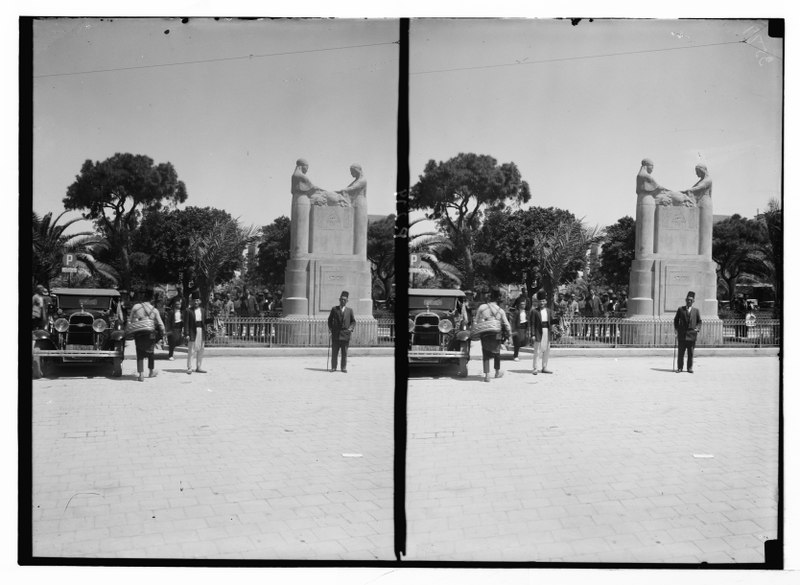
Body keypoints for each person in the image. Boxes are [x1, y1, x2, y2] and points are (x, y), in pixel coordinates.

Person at [473, 288, 511, 383]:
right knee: (497, 353)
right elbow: (507, 324)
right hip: (497, 334)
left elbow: (475, 321)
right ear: (497, 300)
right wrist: (509, 335)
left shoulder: (482, 307)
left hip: (485, 333)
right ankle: (497, 372)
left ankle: (487, 375)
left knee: (485, 353)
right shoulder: (501, 310)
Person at [129, 288, 165, 382]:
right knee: (151, 353)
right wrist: (163, 333)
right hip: (150, 334)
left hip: (139, 333)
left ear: (143, 297)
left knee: (139, 353)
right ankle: (151, 372)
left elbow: (130, 320)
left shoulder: (136, 307)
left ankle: (141, 374)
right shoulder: (155, 310)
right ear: (151, 299)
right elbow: (161, 324)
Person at [674, 291, 702, 373]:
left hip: (692, 336)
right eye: (688, 300)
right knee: (680, 354)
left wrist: (697, 328)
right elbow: (676, 320)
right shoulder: (680, 309)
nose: (689, 301)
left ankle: (689, 368)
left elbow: (699, 321)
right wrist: (676, 329)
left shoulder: (696, 311)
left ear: (693, 301)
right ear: (685, 300)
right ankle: (679, 368)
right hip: (682, 336)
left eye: (691, 300)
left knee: (690, 353)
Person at [328, 290, 356, 373]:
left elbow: (353, 321)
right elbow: (329, 320)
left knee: (344, 353)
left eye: (344, 300)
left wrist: (350, 329)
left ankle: (343, 368)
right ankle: (333, 367)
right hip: (336, 335)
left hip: (345, 335)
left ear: (347, 301)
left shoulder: (349, 310)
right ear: (339, 300)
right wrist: (330, 329)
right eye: (341, 299)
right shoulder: (334, 309)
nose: (343, 301)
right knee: (334, 353)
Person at [530, 290, 554, 375]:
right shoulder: (534, 311)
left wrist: (558, 321)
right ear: (538, 302)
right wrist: (532, 334)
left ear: (546, 301)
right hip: (538, 332)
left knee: (546, 350)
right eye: (540, 301)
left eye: (543, 301)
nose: (542, 302)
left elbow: (552, 321)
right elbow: (532, 324)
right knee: (537, 351)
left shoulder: (549, 311)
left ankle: (544, 367)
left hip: (547, 331)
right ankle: (535, 368)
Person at [184, 291, 207, 374]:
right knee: (192, 350)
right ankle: (189, 367)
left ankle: (199, 366)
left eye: (197, 300)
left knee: (201, 349)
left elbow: (204, 321)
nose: (196, 302)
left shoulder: (203, 310)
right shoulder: (188, 311)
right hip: (192, 331)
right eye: (194, 301)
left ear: (199, 301)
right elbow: (186, 323)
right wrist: (186, 334)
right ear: (192, 301)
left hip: (201, 331)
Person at [509, 296, 529, 361]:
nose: (523, 305)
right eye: (522, 304)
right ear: (519, 305)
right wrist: (513, 330)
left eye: (524, 304)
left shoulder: (526, 312)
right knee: (517, 343)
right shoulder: (516, 312)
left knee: (522, 342)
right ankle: (515, 356)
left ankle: (516, 354)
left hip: (524, 328)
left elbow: (527, 320)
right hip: (518, 328)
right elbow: (513, 321)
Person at [165, 296, 185, 361]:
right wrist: (168, 330)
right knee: (172, 342)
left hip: (179, 328)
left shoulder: (182, 312)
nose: (178, 305)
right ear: (174, 305)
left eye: (179, 304)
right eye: (177, 304)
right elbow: (168, 321)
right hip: (173, 328)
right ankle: (170, 355)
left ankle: (172, 353)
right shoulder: (171, 312)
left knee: (177, 341)